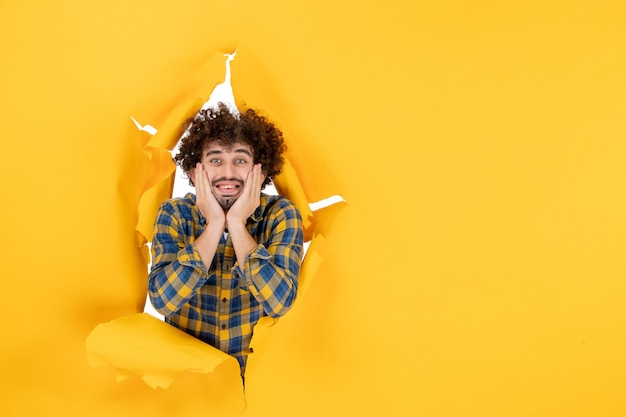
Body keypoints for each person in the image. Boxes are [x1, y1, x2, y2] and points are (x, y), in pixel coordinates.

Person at [148, 104, 304, 378]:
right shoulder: (174, 214)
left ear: (261, 171)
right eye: (216, 160)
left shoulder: (282, 215)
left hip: (259, 385)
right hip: (190, 385)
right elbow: (163, 300)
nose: (228, 172)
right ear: (197, 172)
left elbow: (279, 302)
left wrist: (236, 224)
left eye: (240, 161)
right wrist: (215, 224)